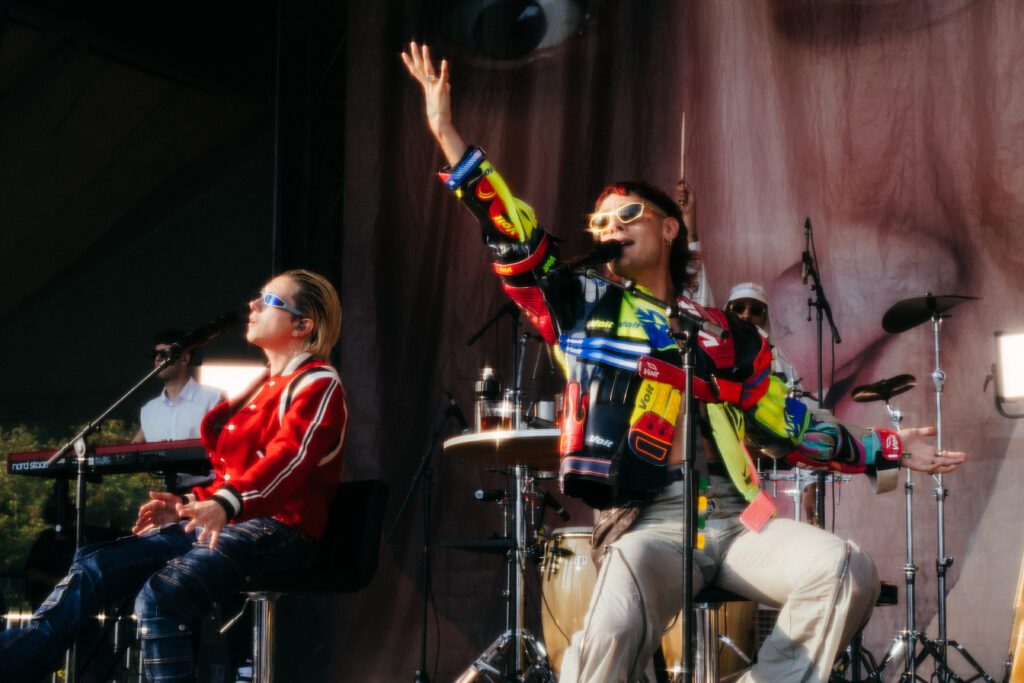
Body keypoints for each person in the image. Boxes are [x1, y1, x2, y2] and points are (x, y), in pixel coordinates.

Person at [402, 42, 966, 682]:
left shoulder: (726, 332)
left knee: (845, 569)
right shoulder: (581, 304)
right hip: (650, 522)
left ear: (671, 229)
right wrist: (450, 138)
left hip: (740, 515)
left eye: (628, 214)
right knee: (607, 638)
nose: (608, 225)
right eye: (599, 220)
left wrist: (887, 447)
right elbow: (514, 234)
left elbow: (791, 423)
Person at [0, 269, 348, 682]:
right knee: (93, 565)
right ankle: (15, 665)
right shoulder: (261, 387)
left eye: (270, 301)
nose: (252, 305)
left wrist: (223, 502)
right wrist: (186, 507)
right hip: (238, 519)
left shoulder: (318, 382)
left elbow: (288, 459)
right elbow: (230, 475)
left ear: (302, 325)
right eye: (257, 297)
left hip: (278, 529)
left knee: (162, 594)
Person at [133, 328, 226, 444]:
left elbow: (226, 445)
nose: (157, 359)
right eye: (155, 354)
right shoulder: (148, 410)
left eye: (164, 354)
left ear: (185, 358)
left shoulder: (213, 397)